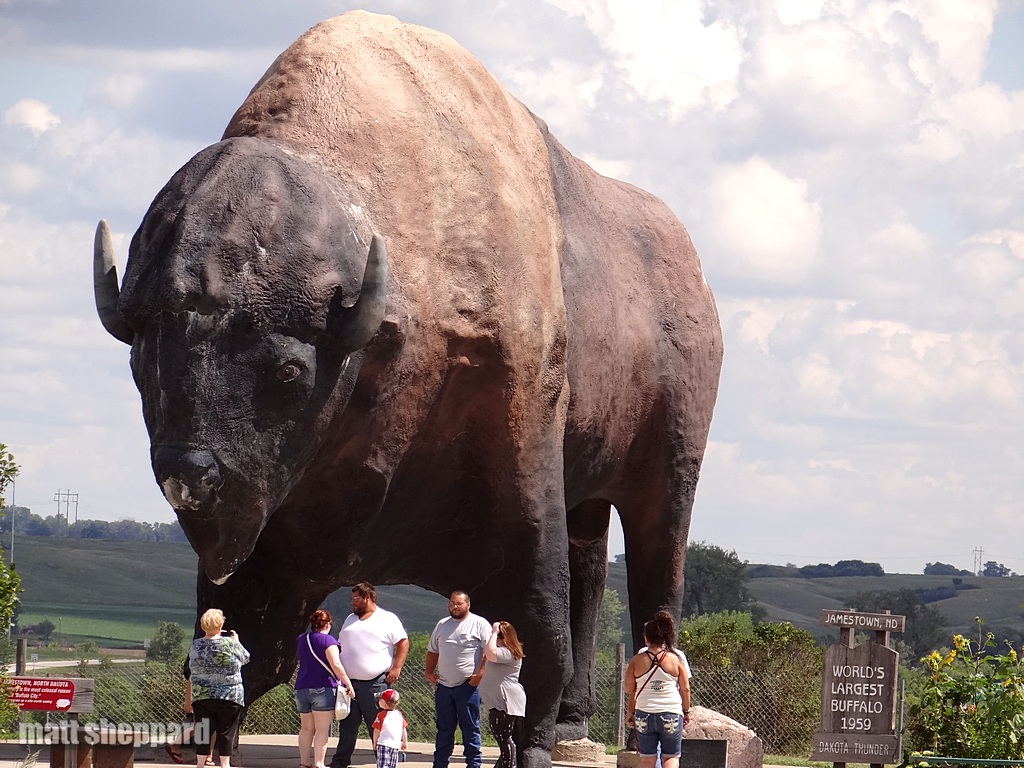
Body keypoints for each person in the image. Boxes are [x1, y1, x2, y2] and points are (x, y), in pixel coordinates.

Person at [330, 583, 410, 768]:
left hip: (375, 684)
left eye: (356, 599)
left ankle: (384, 762)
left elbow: (403, 642)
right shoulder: (350, 619)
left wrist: (397, 667)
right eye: (352, 599)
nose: (352, 602)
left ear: (367, 598)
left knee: (378, 725)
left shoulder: (387, 618)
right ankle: (340, 762)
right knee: (347, 725)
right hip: (349, 684)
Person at [425, 591, 491, 768]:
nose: (455, 606)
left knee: (470, 728)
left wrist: (479, 675)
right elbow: (433, 650)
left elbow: (489, 652)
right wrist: (428, 671)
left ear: (468, 604)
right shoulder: (442, 624)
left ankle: (473, 765)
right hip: (444, 686)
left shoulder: (479, 624)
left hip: (467, 687)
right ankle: (440, 765)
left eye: (459, 603)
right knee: (444, 729)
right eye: (452, 603)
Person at [624, 611, 691, 768]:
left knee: (647, 760)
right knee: (670, 758)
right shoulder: (676, 659)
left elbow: (629, 689)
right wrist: (686, 711)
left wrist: (630, 712)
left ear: (646, 637)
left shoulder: (637, 660)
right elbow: (685, 689)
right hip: (671, 713)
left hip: (644, 714)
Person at [188, 609, 250, 768]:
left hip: (202, 695)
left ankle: (200, 764)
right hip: (230, 695)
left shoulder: (196, 644)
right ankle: (225, 764)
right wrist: (236, 641)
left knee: (203, 731)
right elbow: (245, 658)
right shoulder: (230, 643)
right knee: (226, 731)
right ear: (220, 625)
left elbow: (192, 666)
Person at [297, 609, 356, 768]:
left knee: (306, 728)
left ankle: (304, 762)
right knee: (322, 729)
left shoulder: (302, 639)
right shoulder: (328, 641)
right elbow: (335, 664)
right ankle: (318, 763)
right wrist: (347, 683)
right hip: (323, 686)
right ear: (328, 624)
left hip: (302, 686)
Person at [479, 621, 526, 768]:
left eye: (498, 637)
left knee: (504, 737)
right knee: (502, 736)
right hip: (497, 701)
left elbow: (490, 653)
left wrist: (494, 632)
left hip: (505, 701)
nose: (494, 639)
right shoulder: (502, 652)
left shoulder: (508, 652)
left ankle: (509, 765)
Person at [371, 689, 408, 768]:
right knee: (393, 766)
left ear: (384, 703)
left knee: (383, 765)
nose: (378, 701)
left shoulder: (381, 715)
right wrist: (404, 742)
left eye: (380, 699)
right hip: (395, 746)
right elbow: (403, 729)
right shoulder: (399, 714)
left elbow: (376, 731)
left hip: (383, 744)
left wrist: (375, 742)